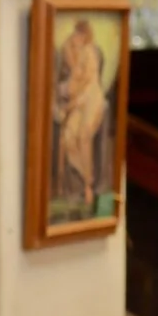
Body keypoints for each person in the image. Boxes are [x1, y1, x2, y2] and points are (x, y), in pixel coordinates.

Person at [54, 15, 110, 209]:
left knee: (84, 135)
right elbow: (71, 84)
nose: (76, 37)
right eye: (75, 33)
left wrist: (73, 101)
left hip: (91, 97)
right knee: (68, 136)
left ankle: (88, 185)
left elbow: (86, 81)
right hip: (79, 100)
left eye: (80, 33)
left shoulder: (90, 52)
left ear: (85, 35)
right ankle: (83, 176)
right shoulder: (72, 55)